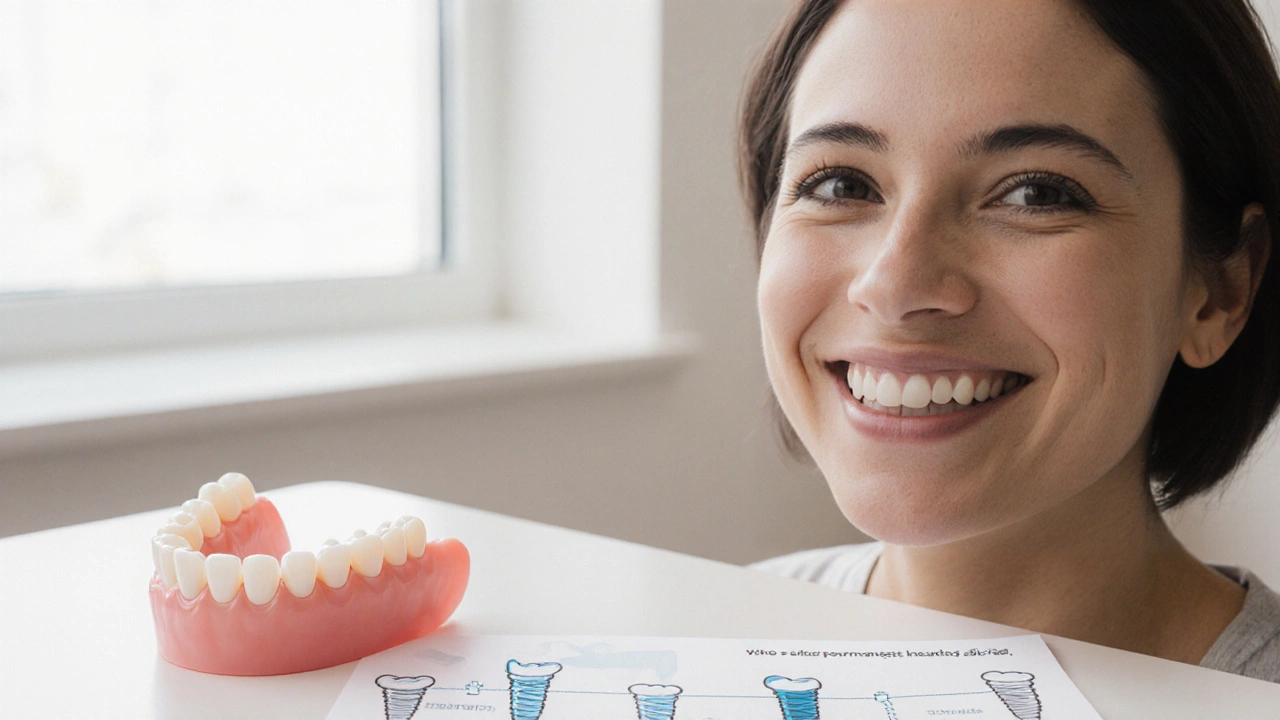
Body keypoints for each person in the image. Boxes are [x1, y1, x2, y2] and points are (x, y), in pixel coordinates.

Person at [742, 0, 1280, 683]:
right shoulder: (703, 633)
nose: (896, 284)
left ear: (1220, 291)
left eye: (1036, 195)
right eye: (840, 183)